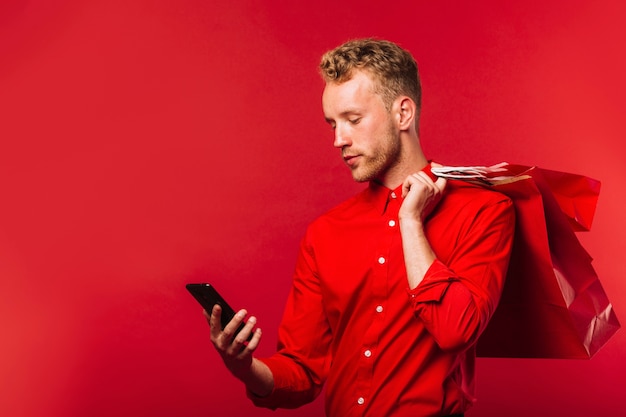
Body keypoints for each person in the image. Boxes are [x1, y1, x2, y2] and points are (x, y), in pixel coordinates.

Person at [205, 38, 515, 417]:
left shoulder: (484, 211)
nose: (339, 140)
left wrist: (410, 222)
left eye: (353, 120)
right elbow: (302, 371)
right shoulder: (325, 233)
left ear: (403, 114)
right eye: (332, 124)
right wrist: (244, 368)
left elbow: (456, 330)